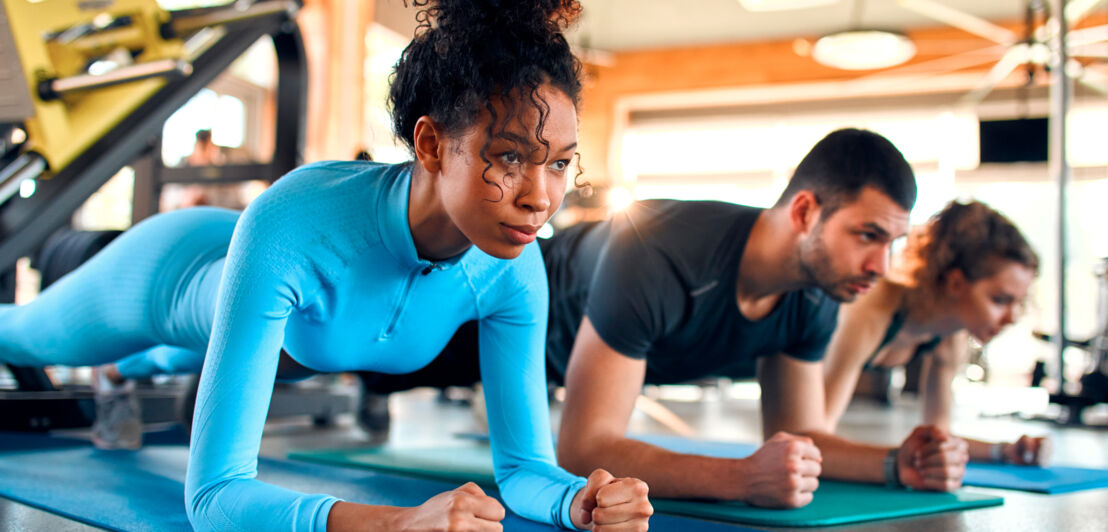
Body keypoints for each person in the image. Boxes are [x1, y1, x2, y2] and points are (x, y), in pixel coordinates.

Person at [0, 1, 653, 530]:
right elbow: (215, 494)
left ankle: (126, 369)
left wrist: (579, 502)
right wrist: (396, 524)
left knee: (195, 354)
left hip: (279, 322)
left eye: (560, 162)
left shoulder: (513, 268)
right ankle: (119, 358)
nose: (541, 196)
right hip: (170, 270)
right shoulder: (297, 221)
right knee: (21, 333)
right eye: (510, 157)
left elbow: (523, 470)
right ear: (430, 144)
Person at [356, 128, 968, 508]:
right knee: (349, 355)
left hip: (548, 359)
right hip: (490, 307)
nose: (880, 265)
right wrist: (739, 479)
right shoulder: (662, 249)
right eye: (867, 235)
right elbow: (584, 448)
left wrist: (896, 464)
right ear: (805, 211)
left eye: (891, 242)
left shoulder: (815, 294)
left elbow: (801, 437)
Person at [823, 200, 1047, 465]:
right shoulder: (871, 311)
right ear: (955, 283)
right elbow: (812, 436)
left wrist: (1005, 451)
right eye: (1000, 300)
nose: (1013, 317)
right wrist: (899, 464)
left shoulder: (950, 335)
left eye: (1019, 302)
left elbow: (939, 439)